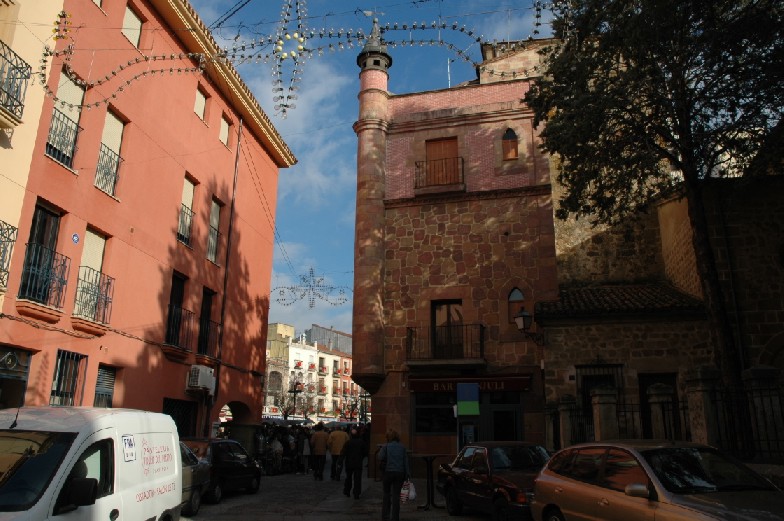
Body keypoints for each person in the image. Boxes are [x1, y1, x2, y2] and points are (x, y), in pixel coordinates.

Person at [379, 429, 409, 521]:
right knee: (396, 496)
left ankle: (385, 516)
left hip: (388, 472)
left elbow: (380, 457)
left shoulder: (386, 446)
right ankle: (395, 518)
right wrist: (407, 474)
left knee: (386, 494)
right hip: (399, 473)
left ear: (388, 437)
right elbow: (405, 462)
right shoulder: (402, 447)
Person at [342, 428, 367, 499]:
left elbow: (343, 452)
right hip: (358, 463)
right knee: (357, 479)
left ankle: (347, 491)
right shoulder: (361, 442)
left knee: (348, 477)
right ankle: (356, 493)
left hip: (349, 463)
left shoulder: (348, 442)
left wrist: (341, 461)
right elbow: (365, 452)